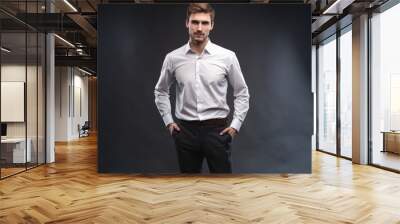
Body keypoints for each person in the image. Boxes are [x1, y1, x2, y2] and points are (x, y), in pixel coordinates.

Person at [154, 3, 250, 173]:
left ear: (212, 25)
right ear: (187, 23)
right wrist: (169, 121)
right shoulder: (173, 58)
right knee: (189, 188)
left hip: (218, 132)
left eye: (205, 23)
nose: (199, 28)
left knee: (222, 186)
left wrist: (235, 126)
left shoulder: (227, 57)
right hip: (185, 132)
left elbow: (242, 93)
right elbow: (161, 91)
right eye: (195, 22)